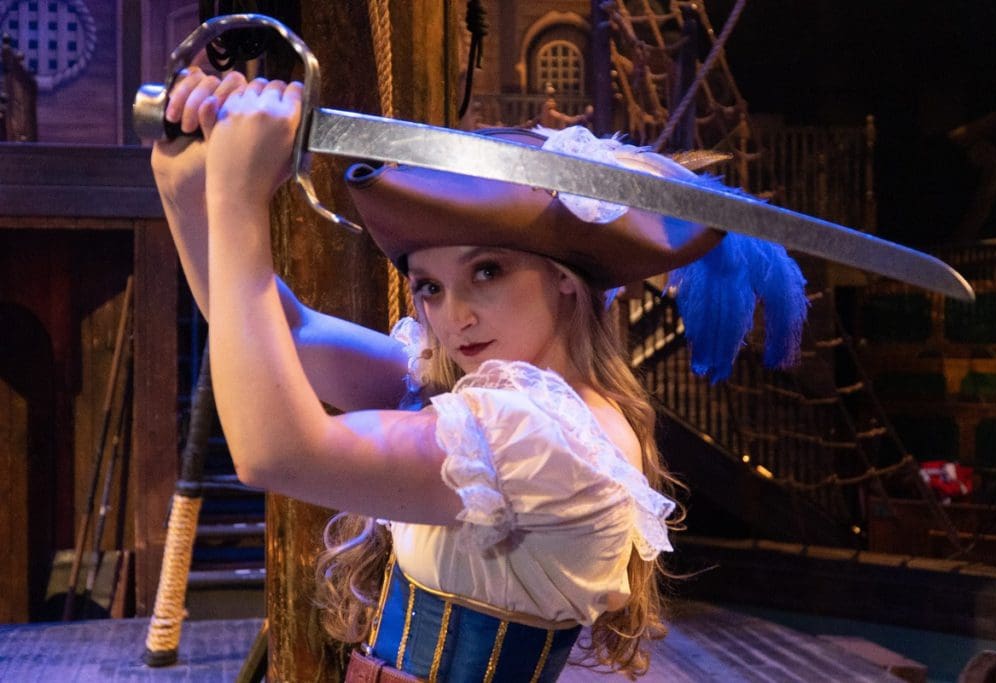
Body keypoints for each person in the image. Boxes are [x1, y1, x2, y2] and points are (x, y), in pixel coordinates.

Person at [152, 67, 806, 681]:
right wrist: (188, 196)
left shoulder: (541, 434)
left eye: (486, 271)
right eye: (431, 286)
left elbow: (278, 455)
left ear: (565, 282)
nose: (454, 315)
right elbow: (291, 335)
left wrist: (238, 199)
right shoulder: (498, 399)